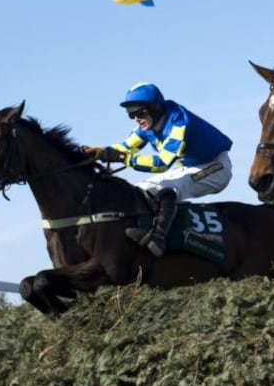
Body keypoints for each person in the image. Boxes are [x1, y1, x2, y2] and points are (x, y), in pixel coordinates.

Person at [83, 82, 233, 256]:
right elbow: (125, 148)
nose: (136, 118)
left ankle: (159, 237)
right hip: (190, 167)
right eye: (131, 114)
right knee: (143, 189)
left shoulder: (178, 122)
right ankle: (148, 230)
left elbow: (162, 163)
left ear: (155, 108)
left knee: (168, 188)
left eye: (140, 112)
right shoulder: (147, 126)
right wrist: (99, 152)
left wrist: (122, 158)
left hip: (216, 167)